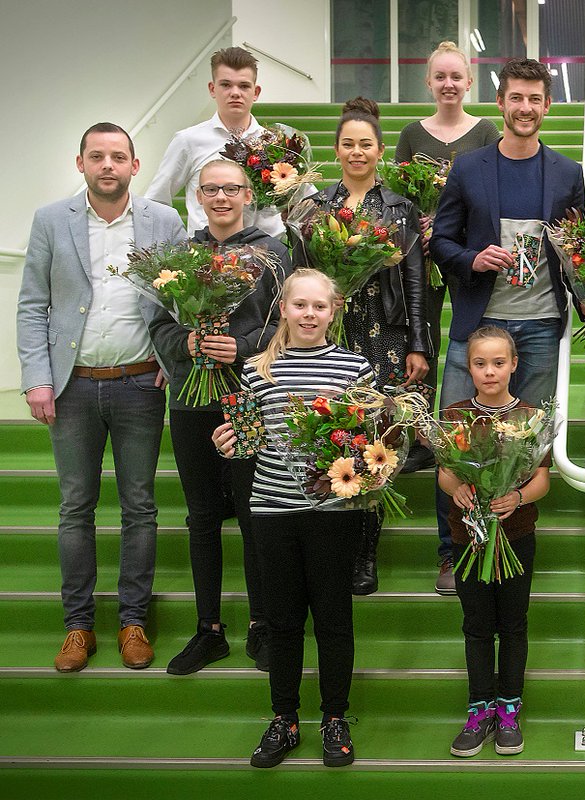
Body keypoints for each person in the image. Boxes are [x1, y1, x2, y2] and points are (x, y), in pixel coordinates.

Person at [17, 123, 185, 672]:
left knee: (140, 507)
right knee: (75, 508)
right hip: (71, 386)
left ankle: (133, 621)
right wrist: (37, 377)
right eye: (97, 156)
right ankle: (78, 626)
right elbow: (33, 304)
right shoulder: (50, 221)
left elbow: (183, 298)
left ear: (136, 166)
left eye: (118, 156)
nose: (107, 165)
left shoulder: (164, 220)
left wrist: (170, 358)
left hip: (140, 383)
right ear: (81, 163)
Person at [430, 56, 584, 596]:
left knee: (527, 444)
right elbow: (441, 242)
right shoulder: (469, 168)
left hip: (541, 326)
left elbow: (578, 252)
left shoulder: (567, 173)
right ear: (500, 103)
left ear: (547, 105)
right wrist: (474, 258)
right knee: (455, 440)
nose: (525, 108)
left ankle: (512, 544)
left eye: (535, 99)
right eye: (515, 98)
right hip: (480, 325)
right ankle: (453, 551)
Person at [213, 269, 373, 769]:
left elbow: (370, 442)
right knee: (281, 622)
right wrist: (231, 442)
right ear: (283, 308)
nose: (309, 314)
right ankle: (284, 719)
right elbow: (251, 439)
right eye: (299, 305)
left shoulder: (355, 369)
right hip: (273, 511)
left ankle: (334, 718)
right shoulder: (256, 370)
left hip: (333, 513)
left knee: (333, 619)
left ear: (334, 311)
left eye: (319, 307)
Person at [148, 158, 292, 675]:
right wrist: (185, 341)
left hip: (249, 398)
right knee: (202, 517)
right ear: (197, 195)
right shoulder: (179, 255)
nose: (222, 197)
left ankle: (262, 625)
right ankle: (208, 628)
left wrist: (245, 345)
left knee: (255, 517)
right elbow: (158, 327)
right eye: (211, 189)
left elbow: (288, 324)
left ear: (249, 194)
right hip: (190, 400)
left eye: (232, 188)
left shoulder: (274, 253)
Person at [293, 97, 432, 596]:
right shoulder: (314, 210)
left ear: (380, 151)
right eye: (348, 144)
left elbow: (415, 282)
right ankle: (334, 546)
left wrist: (419, 343)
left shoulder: (400, 208)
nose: (357, 152)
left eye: (366, 144)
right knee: (330, 434)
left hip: (385, 336)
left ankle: (365, 554)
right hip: (326, 336)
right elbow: (300, 278)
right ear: (336, 150)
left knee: (374, 442)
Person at [394, 40, 501, 596]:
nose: (449, 84)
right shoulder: (411, 136)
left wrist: (453, 238)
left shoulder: (486, 134)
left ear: (470, 80)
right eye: (440, 77)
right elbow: (398, 201)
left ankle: (488, 529)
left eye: (457, 76)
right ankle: (449, 543)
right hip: (422, 257)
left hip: (469, 274)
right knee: (424, 356)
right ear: (429, 81)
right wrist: (423, 235)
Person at [441, 326, 552, 759]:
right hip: (468, 535)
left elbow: (542, 478)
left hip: (516, 533)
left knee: (513, 622)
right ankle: (479, 707)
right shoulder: (454, 415)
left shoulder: (530, 417)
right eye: (480, 364)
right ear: (469, 368)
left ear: (514, 365)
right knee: (476, 625)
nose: (490, 372)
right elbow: (446, 472)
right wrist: (457, 489)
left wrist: (518, 496)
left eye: (498, 363)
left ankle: (509, 707)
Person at [145, 46, 284, 237]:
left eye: (244, 86)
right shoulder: (188, 141)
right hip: (208, 256)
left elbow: (305, 201)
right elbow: (155, 201)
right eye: (226, 85)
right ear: (212, 89)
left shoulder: (276, 144)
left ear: (256, 92)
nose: (235, 93)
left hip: (267, 254)